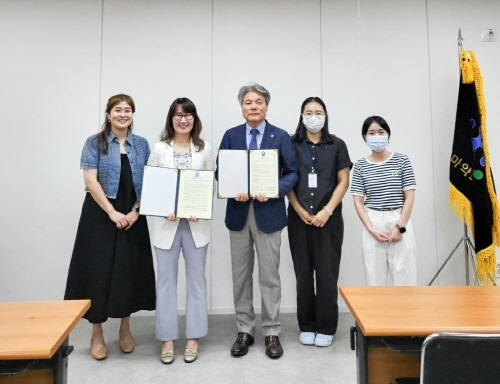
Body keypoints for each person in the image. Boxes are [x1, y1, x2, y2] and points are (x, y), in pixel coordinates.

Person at [64, 94, 156, 360]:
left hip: (133, 214)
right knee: (98, 272)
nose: (123, 114)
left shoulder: (141, 144)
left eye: (128, 110)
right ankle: (97, 334)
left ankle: (125, 330)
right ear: (108, 114)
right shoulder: (95, 142)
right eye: (118, 110)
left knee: (127, 271)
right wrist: (113, 212)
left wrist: (136, 211)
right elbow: (90, 181)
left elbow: (150, 179)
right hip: (100, 214)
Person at [217, 82, 299, 359]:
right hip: (239, 214)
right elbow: (220, 172)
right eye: (248, 102)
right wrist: (231, 187)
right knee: (240, 276)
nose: (253, 107)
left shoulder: (280, 136)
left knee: (269, 275)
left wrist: (274, 189)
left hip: (269, 213)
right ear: (241, 107)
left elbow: (293, 172)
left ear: (266, 105)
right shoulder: (230, 136)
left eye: (258, 102)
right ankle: (245, 329)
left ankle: (272, 330)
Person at [148, 98, 214, 364]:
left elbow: (209, 183)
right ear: (171, 119)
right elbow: (152, 185)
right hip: (166, 225)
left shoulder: (204, 148)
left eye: (187, 115)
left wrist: (199, 206)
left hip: (196, 225)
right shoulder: (159, 148)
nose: (183, 120)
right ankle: (167, 338)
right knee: (165, 282)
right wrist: (164, 207)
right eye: (177, 115)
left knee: (196, 281)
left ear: (194, 119)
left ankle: (193, 337)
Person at [287, 97, 352, 347]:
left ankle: (326, 325)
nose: (313, 117)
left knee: (327, 274)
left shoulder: (337, 144)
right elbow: (287, 179)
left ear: (326, 116)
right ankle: (307, 324)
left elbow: (343, 181)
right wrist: (298, 209)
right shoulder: (291, 145)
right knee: (303, 274)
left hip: (329, 219)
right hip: (298, 218)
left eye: (318, 112)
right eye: (308, 112)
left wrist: (327, 209)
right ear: (301, 116)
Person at [351, 115, 417, 286]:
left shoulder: (402, 160)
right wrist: (370, 228)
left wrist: (399, 227)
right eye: (371, 133)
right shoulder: (360, 166)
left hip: (398, 218)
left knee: (404, 279)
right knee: (374, 280)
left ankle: (404, 313)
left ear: (388, 134)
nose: (376, 136)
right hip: (373, 221)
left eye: (381, 132)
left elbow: (409, 197)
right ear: (365, 137)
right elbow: (358, 201)